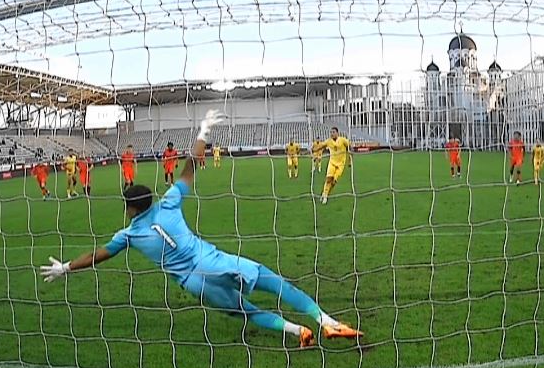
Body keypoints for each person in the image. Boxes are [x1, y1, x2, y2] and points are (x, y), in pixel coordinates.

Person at [41, 111, 362, 348]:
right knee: (273, 283)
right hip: (213, 260)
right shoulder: (168, 203)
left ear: (131, 208)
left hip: (194, 282)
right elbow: (190, 166)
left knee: (246, 311)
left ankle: (297, 332)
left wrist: (66, 267)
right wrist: (203, 131)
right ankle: (326, 322)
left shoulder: (128, 236)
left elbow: (99, 256)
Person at [313, 127, 352, 204]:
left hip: (341, 164)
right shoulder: (328, 141)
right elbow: (321, 146)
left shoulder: (343, 140)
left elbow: (350, 147)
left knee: (333, 182)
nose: (332, 134)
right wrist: (313, 150)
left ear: (337, 133)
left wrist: (350, 160)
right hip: (332, 163)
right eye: (331, 132)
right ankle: (325, 195)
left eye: (333, 132)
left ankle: (326, 194)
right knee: (328, 179)